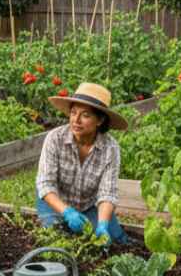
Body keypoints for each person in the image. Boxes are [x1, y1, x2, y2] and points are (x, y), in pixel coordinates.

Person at [35, 82, 129, 244]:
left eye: (85, 115)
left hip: (89, 205)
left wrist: (103, 224)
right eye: (73, 113)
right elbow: (45, 184)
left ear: (100, 120)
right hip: (55, 202)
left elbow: (107, 192)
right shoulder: (55, 139)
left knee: (114, 239)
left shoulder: (110, 148)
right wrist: (67, 212)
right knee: (57, 239)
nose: (76, 120)